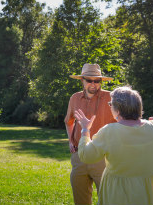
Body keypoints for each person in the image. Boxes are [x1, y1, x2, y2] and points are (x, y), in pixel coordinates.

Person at [75, 86, 153, 205]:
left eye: (111, 104)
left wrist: (85, 130)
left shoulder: (108, 131)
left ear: (118, 109)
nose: (110, 106)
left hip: (118, 192)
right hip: (150, 191)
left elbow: (86, 156)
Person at [64, 63, 117, 205]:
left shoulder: (111, 99)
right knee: (80, 201)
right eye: (89, 80)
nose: (93, 84)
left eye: (97, 81)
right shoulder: (74, 98)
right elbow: (69, 121)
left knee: (107, 199)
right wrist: (70, 140)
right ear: (82, 80)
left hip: (103, 157)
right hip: (79, 156)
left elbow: (122, 124)